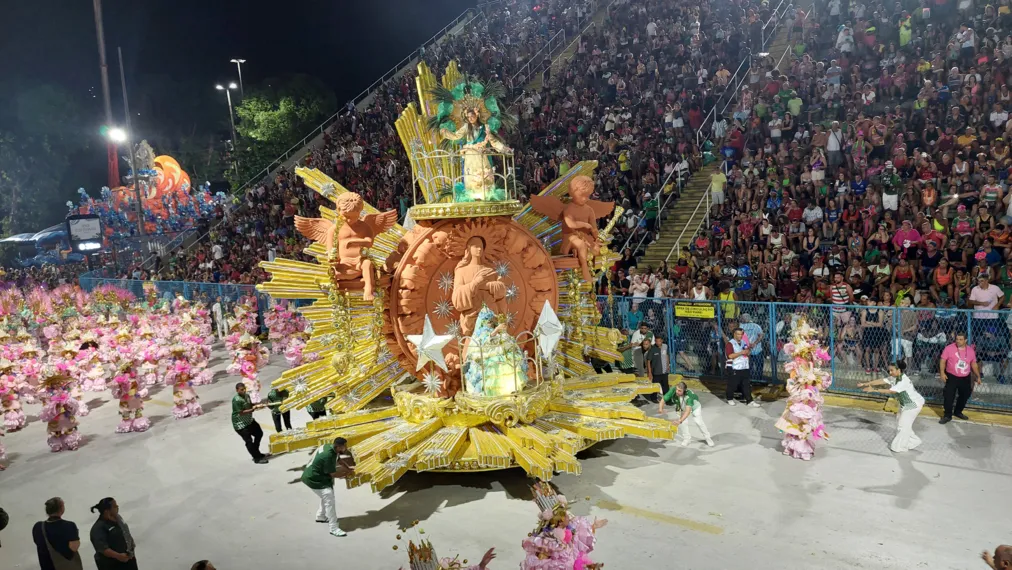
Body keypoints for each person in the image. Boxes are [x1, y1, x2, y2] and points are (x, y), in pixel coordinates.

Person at [858, 360, 925, 452]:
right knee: (902, 424)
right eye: (889, 370)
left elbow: (891, 391)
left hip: (913, 405)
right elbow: (882, 380)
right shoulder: (895, 377)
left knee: (902, 425)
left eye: (892, 370)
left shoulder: (903, 381)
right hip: (905, 404)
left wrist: (874, 389)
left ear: (899, 370)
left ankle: (900, 447)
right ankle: (913, 441)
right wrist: (866, 383)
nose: (890, 372)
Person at [301, 436, 354, 538]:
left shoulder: (328, 447)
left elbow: (339, 460)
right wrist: (345, 475)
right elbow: (332, 474)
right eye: (344, 447)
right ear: (338, 447)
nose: (346, 449)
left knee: (325, 496)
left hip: (316, 476)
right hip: (314, 479)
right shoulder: (328, 456)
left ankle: (320, 516)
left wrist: (348, 469)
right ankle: (334, 528)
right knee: (329, 498)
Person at [939, 332, 981, 424]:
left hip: (965, 377)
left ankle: (958, 411)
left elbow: (973, 364)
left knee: (965, 395)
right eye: (957, 339)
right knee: (949, 396)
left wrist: (978, 376)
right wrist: (942, 373)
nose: (958, 341)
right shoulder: (949, 348)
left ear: (965, 340)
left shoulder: (970, 350)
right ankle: (947, 415)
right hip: (951, 376)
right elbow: (943, 361)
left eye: (961, 339)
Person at [659, 381, 714, 447]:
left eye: (679, 391)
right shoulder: (674, 390)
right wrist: (660, 409)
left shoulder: (689, 396)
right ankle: (687, 439)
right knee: (683, 423)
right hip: (681, 407)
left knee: (699, 422)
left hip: (694, 407)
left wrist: (679, 420)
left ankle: (707, 438)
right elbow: (663, 399)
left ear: (684, 391)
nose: (677, 391)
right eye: (677, 389)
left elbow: (687, 411)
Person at [33, 497, 83, 570]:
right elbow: (74, 547)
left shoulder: (38, 527)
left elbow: (38, 543)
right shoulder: (69, 525)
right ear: (61, 509)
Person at [89, 498, 137, 570]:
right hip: (112, 564)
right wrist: (118, 556)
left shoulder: (118, 518)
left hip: (128, 560)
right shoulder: (98, 528)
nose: (117, 507)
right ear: (107, 511)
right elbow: (102, 548)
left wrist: (131, 545)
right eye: (115, 506)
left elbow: (125, 532)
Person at [232, 382, 268, 463]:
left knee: (259, 433)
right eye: (241, 390)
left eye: (244, 389)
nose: (244, 391)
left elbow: (249, 404)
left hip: (249, 420)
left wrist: (257, 405)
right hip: (241, 424)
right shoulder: (236, 400)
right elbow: (241, 412)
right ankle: (257, 458)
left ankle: (256, 452)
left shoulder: (247, 395)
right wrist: (252, 409)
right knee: (249, 441)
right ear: (237, 390)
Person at [725, 327, 759, 407]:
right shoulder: (730, 344)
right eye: (738, 334)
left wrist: (747, 352)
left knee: (746, 384)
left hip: (744, 366)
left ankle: (749, 401)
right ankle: (729, 398)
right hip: (734, 367)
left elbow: (747, 351)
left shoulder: (743, 342)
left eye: (741, 334)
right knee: (732, 384)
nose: (740, 336)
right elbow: (730, 355)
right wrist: (741, 353)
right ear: (734, 334)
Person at [644, 335, 669, 401]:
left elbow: (666, 355)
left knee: (665, 386)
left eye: (659, 341)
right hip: (656, 372)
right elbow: (648, 361)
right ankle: (653, 398)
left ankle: (667, 399)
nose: (658, 343)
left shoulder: (665, 347)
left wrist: (668, 365)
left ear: (662, 341)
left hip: (664, 371)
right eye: (656, 341)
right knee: (655, 386)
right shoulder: (652, 349)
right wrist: (649, 372)